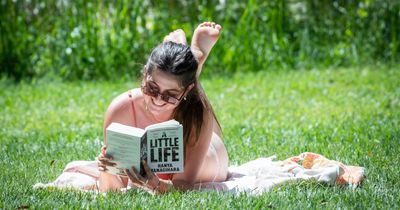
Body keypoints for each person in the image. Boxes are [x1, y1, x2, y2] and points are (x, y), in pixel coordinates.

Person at [97, 22, 229, 194]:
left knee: (207, 169)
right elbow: (111, 191)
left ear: (186, 91)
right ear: (145, 74)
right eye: (152, 88)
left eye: (170, 95)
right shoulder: (121, 107)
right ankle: (190, 59)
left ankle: (193, 61)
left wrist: (155, 184)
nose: (158, 100)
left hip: (210, 152)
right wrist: (106, 169)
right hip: (183, 90)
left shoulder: (199, 113)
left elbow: (185, 185)